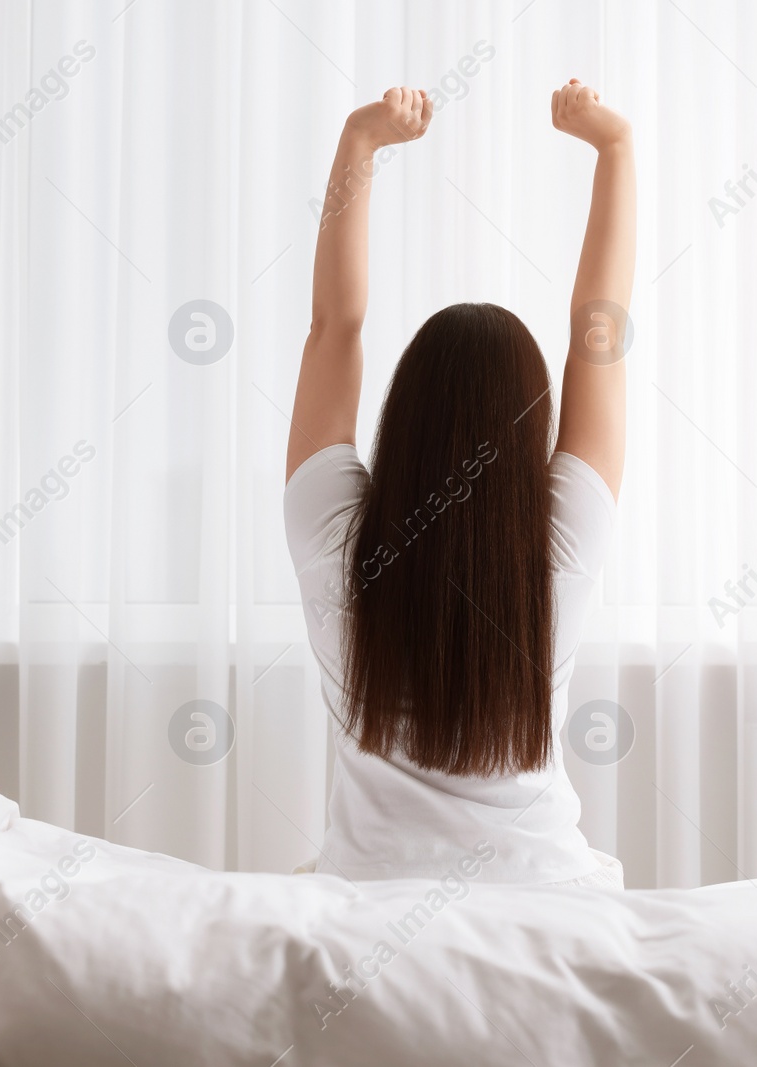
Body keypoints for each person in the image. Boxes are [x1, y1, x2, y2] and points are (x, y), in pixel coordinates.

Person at [283, 80, 635, 887]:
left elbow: (332, 327)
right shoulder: (562, 540)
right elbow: (601, 331)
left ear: (403, 415)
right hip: (547, 894)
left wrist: (359, 142)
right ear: (530, 428)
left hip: (365, 891)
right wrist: (614, 149)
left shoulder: (336, 536)